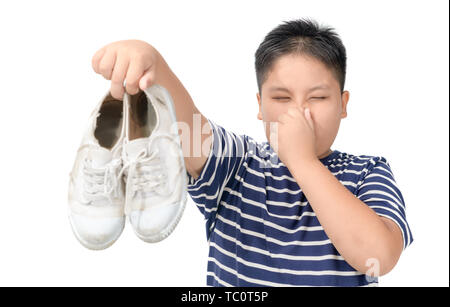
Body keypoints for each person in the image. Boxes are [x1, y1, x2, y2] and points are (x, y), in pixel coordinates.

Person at [91, 18, 413, 286]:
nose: (299, 114)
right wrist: (153, 63)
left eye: (317, 98)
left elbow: (379, 258)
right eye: (282, 99)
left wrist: (301, 160)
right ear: (260, 106)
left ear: (343, 105)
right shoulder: (241, 164)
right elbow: (189, 127)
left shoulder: (368, 172)